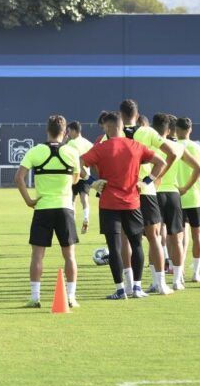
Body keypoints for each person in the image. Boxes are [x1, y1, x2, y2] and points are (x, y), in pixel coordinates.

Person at [81, 112, 166, 299]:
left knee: (115, 246)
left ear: (108, 127)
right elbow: (161, 162)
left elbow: (78, 163)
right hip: (132, 203)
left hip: (109, 204)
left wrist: (91, 180)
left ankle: (121, 289)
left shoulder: (101, 148)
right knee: (137, 244)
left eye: (103, 127)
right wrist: (146, 181)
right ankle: (136, 287)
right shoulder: (135, 146)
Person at [15, 115, 80, 308]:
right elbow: (76, 179)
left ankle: (35, 297)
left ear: (47, 130)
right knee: (69, 255)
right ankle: (71, 297)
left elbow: (19, 177)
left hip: (43, 208)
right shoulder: (71, 151)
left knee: (37, 255)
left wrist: (28, 200)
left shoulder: (36, 151)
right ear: (65, 132)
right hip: (65, 208)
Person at [118, 99, 179, 295]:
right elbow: (171, 154)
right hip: (145, 190)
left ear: (120, 115)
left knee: (125, 238)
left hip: (123, 192)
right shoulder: (147, 132)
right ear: (137, 114)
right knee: (153, 237)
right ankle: (160, 284)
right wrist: (154, 178)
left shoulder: (113, 134)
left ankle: (128, 285)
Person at [152, 114, 200, 290]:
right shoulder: (177, 147)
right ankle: (177, 280)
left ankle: (156, 282)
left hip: (154, 194)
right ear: (170, 130)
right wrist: (185, 188)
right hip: (173, 195)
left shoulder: (150, 145)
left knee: (154, 238)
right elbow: (199, 168)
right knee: (177, 238)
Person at [174, 117, 200, 282]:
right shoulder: (199, 148)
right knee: (197, 237)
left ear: (177, 130)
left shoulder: (172, 147)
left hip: (176, 197)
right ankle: (195, 273)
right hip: (194, 198)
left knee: (177, 238)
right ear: (190, 130)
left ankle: (179, 273)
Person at [65, 121, 94, 233]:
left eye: (69, 131)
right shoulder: (88, 143)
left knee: (72, 200)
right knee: (84, 199)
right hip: (86, 175)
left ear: (74, 131)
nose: (68, 134)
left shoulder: (71, 143)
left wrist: (64, 142)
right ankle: (86, 218)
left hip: (73, 176)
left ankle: (71, 224)